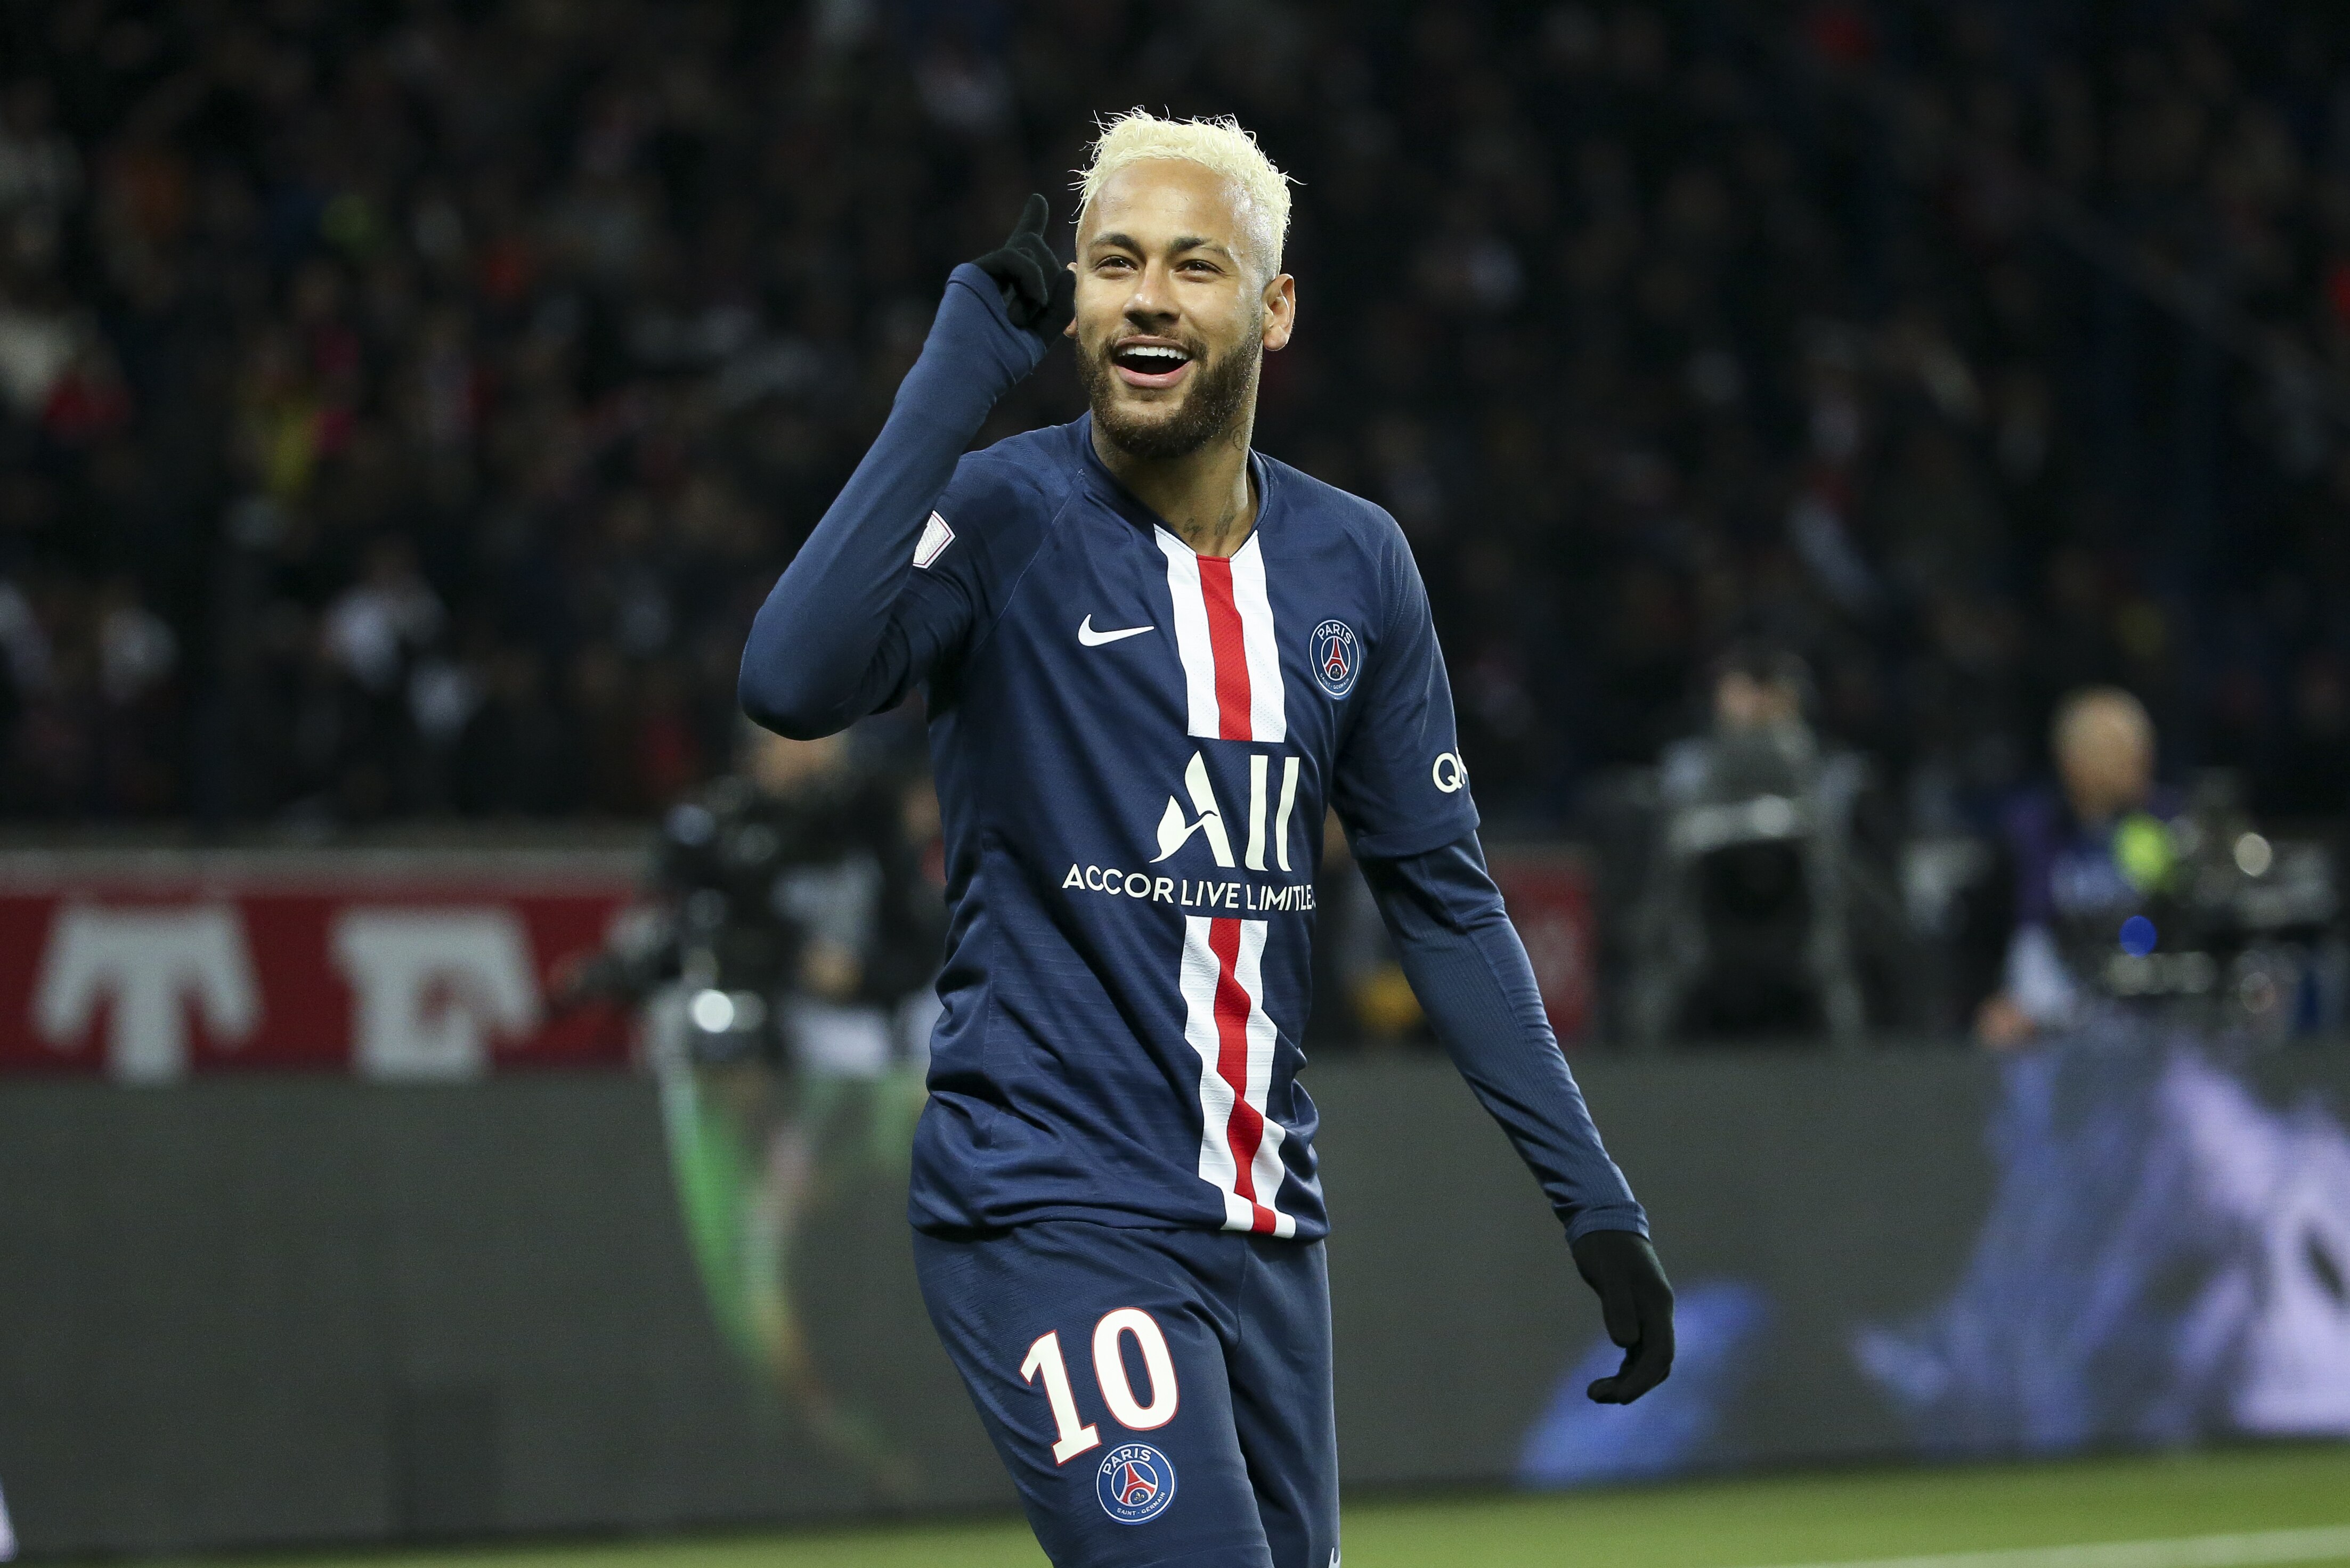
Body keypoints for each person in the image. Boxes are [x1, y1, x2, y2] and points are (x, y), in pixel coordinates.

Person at [739, 112, 1671, 1568]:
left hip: (1264, 1224)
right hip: (1047, 1201)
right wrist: (958, 368)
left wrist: (1592, 1194)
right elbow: (790, 679)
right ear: (1075, 303)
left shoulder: (1355, 564)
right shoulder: (1004, 513)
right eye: (1113, 263)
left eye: (1194, 265)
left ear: (1274, 307)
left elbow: (1444, 904)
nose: (1148, 298)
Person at [1975, 687, 2172, 1049]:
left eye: (2140, 747)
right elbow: (1991, 935)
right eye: (2113, 749)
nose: (2138, 760)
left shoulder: (2167, 825)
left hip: (2150, 1022)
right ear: (2070, 760)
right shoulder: (2029, 831)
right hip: (2045, 1026)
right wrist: (1990, 1002)